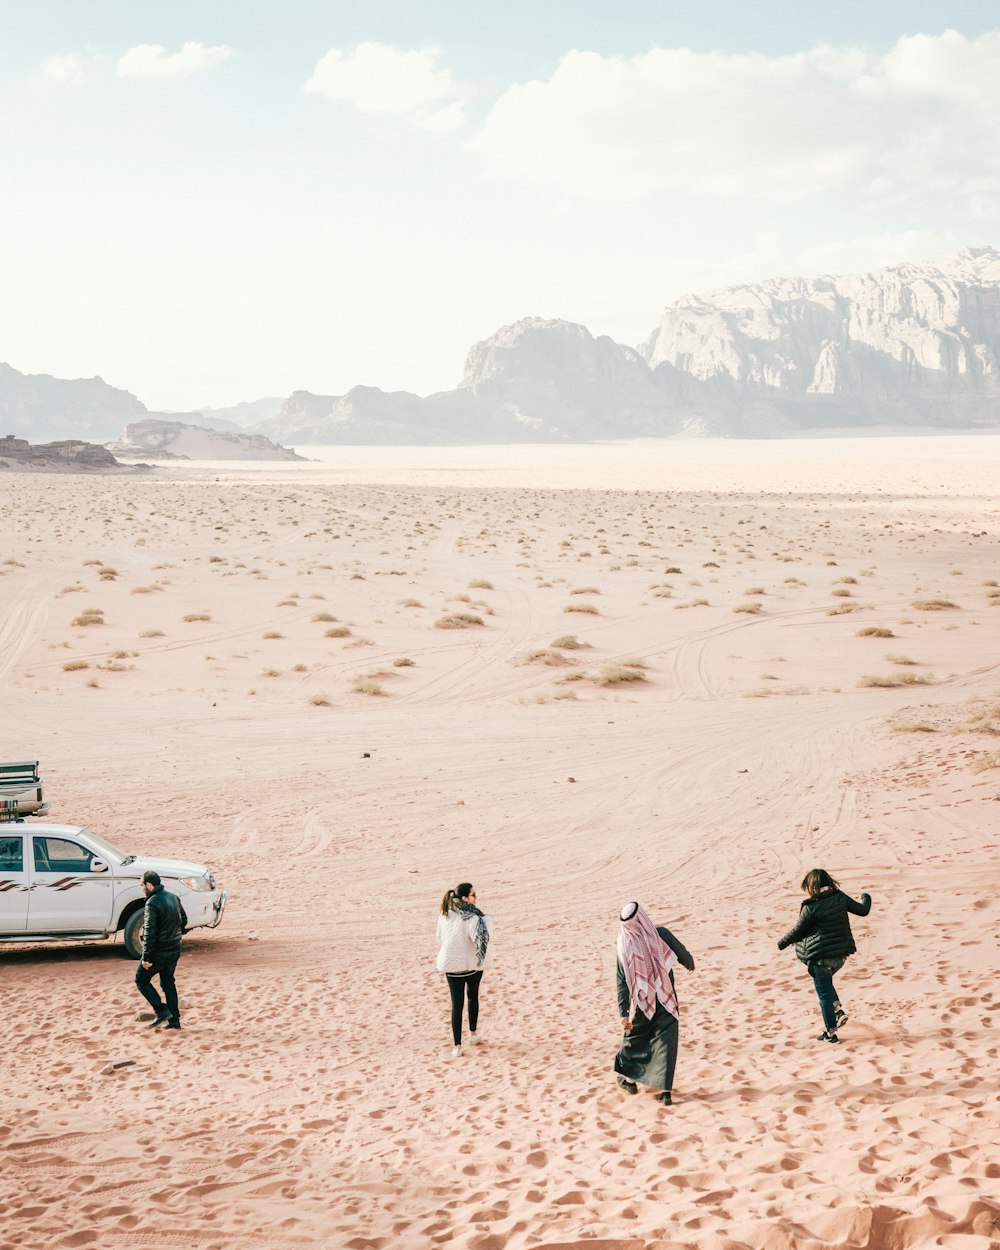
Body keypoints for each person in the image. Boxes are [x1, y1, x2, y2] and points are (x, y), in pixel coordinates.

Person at [777, 868, 872, 1043]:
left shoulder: (811, 907)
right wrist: (866, 896)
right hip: (840, 957)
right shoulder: (840, 897)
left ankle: (830, 1034)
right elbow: (863, 910)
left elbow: (799, 930)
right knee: (827, 985)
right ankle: (838, 1011)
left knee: (824, 997)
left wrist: (782, 943)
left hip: (820, 958)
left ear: (811, 886)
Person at [614, 902, 695, 1106]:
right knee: (666, 1042)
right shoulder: (660, 934)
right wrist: (689, 963)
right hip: (667, 998)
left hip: (643, 1003)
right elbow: (682, 953)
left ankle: (629, 1080)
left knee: (637, 1038)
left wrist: (623, 1010)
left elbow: (622, 980)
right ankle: (665, 1092)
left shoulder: (624, 948)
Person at [436, 882, 492, 1057]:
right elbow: (480, 940)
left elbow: (440, 937)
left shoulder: (445, 914)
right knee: (472, 996)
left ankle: (457, 1047)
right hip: (471, 965)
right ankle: (473, 1034)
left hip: (450, 965)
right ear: (465, 898)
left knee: (456, 1005)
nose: (476, 898)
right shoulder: (473, 917)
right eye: (474, 895)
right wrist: (488, 922)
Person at [135, 869, 187, 1031]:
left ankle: (161, 1011)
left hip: (160, 952)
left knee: (141, 980)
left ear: (149, 885)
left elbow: (149, 932)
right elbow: (184, 921)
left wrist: (146, 958)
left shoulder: (152, 903)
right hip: (175, 950)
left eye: (142, 885)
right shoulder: (173, 897)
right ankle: (174, 1021)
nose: (142, 888)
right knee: (168, 983)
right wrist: (175, 934)